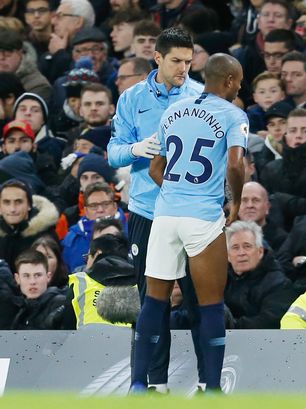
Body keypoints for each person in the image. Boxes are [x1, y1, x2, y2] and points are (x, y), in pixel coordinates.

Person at [130, 53, 247, 393]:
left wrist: (175, 192)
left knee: (154, 301)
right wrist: (236, 201)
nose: (240, 86)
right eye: (238, 80)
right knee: (211, 305)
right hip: (202, 217)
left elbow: (154, 168)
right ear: (227, 81)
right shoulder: (233, 114)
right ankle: (210, 389)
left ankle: (140, 384)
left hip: (164, 217)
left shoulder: (173, 112)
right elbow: (236, 165)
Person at [108, 27, 204, 393]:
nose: (184, 68)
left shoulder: (201, 97)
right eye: (177, 61)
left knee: (199, 301)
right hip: (148, 212)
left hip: (193, 213)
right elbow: (113, 151)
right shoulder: (132, 99)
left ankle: (207, 381)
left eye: (189, 61)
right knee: (153, 301)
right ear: (158, 58)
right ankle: (155, 384)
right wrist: (137, 149)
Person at [224, 221, 293, 329]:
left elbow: (269, 322)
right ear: (228, 256)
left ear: (260, 251)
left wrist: (229, 324)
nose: (241, 253)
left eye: (247, 246)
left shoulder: (278, 283)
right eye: (235, 248)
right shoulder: (219, 281)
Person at [64, 233, 134, 329]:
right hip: (127, 343)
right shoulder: (141, 285)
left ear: (97, 253)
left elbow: (67, 328)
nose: (86, 263)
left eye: (87, 257)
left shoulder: (79, 282)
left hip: (85, 343)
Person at [62, 182, 127, 272]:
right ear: (86, 211)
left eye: (105, 204)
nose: (100, 210)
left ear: (115, 206)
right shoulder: (73, 238)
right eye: (94, 206)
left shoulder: (132, 230)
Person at [0, 178, 58, 272]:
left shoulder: (46, 235)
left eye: (18, 202)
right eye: (6, 202)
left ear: (29, 205)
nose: (12, 209)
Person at [10, 249, 66, 329]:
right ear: (17, 279)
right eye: (26, 276)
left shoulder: (60, 304)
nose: (32, 282)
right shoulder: (18, 311)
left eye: (38, 275)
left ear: (48, 277)